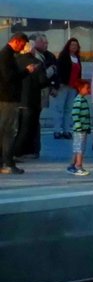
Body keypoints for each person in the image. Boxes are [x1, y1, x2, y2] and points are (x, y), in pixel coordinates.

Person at [0, 32, 36, 175]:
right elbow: (9, 77)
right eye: (22, 44)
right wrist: (26, 71)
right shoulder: (6, 56)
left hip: (7, 98)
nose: (23, 48)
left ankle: (6, 161)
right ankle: (7, 162)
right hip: (7, 98)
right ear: (16, 41)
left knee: (5, 130)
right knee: (8, 131)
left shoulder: (7, 55)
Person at [14, 38, 49, 160]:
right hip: (31, 100)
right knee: (27, 128)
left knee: (16, 128)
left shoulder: (14, 61)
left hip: (15, 99)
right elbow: (43, 81)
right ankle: (17, 152)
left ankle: (14, 151)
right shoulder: (36, 62)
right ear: (32, 49)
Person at [53, 37, 84, 139]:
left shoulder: (77, 58)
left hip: (73, 87)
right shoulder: (63, 57)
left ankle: (66, 130)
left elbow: (79, 73)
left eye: (76, 45)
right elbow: (59, 71)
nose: (74, 47)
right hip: (63, 86)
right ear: (68, 46)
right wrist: (58, 84)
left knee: (69, 109)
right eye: (72, 45)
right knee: (59, 109)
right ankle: (57, 130)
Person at [67, 79, 92, 176]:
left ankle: (72, 164)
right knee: (80, 148)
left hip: (82, 129)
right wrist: (79, 126)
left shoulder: (82, 99)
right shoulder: (79, 100)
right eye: (87, 88)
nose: (89, 90)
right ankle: (79, 165)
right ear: (80, 88)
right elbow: (75, 114)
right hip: (80, 130)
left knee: (77, 147)